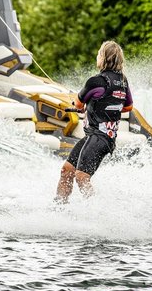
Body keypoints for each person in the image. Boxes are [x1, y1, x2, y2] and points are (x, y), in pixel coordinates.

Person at [55, 41, 133, 203]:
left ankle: (98, 213)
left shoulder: (95, 81)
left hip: (99, 138)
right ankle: (58, 208)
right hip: (101, 138)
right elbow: (127, 107)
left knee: (82, 176)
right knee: (67, 170)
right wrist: (99, 108)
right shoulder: (123, 81)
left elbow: (77, 104)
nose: (97, 57)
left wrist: (88, 106)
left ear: (103, 58)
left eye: (99, 54)